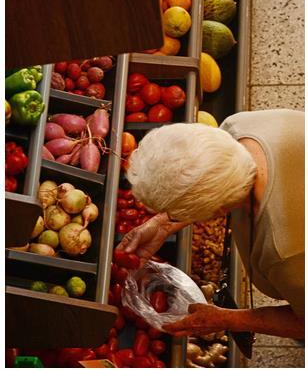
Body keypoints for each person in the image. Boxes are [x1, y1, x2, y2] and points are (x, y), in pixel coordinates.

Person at [116, 109, 304, 339]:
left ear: (218, 211)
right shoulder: (240, 128)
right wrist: (163, 224)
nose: (171, 216)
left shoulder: (287, 252)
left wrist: (228, 319)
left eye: (173, 213)